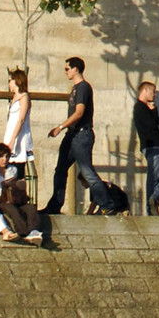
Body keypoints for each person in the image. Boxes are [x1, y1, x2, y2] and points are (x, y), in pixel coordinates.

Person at [42, 56, 108, 217]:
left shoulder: (84, 87)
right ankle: (55, 205)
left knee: (86, 171)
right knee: (60, 170)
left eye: (67, 69)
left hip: (81, 135)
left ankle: (107, 203)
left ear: (75, 68)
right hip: (71, 135)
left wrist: (59, 127)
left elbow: (79, 112)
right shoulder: (75, 88)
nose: (66, 72)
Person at [0, 142, 41, 242]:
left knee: (30, 208)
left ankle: (34, 231)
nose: (4, 160)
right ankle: (23, 231)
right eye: (1, 157)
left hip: (12, 198)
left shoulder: (13, 169)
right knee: (11, 208)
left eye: (6, 157)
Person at [132, 78, 159, 216]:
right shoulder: (140, 108)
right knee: (153, 177)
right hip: (152, 146)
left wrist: (153, 109)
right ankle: (150, 208)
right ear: (145, 90)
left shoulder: (145, 108)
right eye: (153, 91)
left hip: (156, 145)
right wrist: (153, 110)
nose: (154, 95)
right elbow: (152, 124)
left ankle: (154, 199)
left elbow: (154, 122)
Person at [4, 66, 34, 188]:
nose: (9, 84)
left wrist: (13, 140)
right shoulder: (13, 98)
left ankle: (18, 197)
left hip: (19, 137)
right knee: (8, 169)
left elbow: (21, 119)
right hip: (10, 133)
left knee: (18, 169)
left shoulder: (24, 97)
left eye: (10, 80)